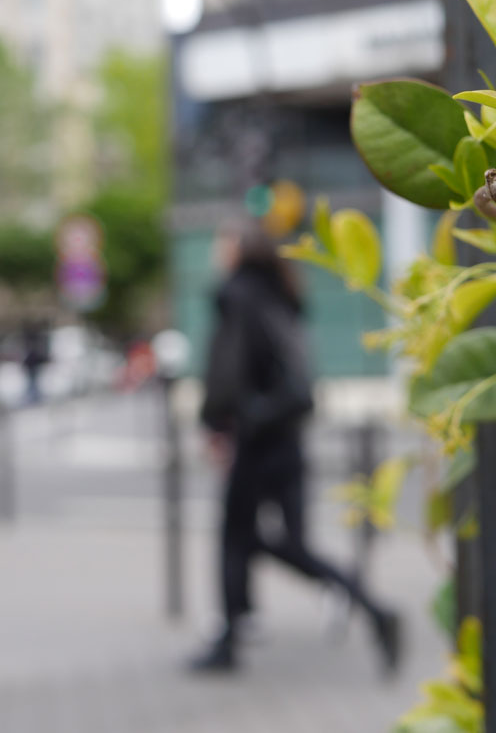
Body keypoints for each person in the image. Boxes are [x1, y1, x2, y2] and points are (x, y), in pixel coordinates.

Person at [189, 219, 401, 674]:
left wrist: (214, 420)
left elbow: (226, 370)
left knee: (235, 539)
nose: (215, 251)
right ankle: (371, 606)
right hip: (287, 438)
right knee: (284, 543)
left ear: (237, 249)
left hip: (256, 438)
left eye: (221, 241)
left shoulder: (237, 295)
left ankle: (229, 641)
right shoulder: (281, 294)